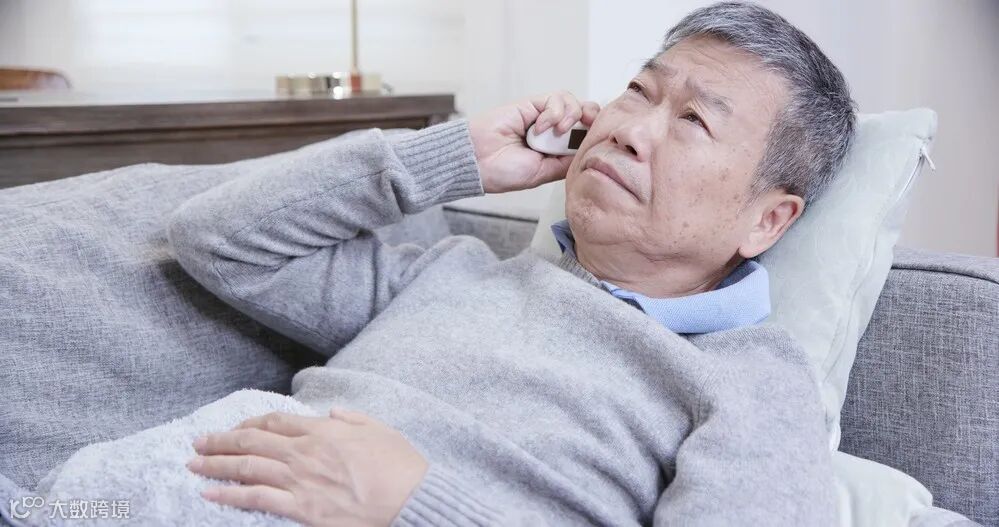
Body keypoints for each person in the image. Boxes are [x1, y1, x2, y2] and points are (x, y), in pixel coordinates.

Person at [168, 2, 856, 525]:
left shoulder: (749, 382)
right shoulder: (453, 272)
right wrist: (456, 156)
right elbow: (218, 241)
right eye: (638, 91)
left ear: (767, 220)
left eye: (694, 120)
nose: (629, 130)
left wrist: (417, 504)